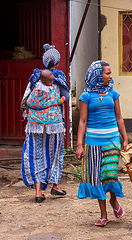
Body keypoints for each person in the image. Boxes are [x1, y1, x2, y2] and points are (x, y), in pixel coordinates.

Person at [76, 60, 128, 227]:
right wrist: (79, 144)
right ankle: (104, 215)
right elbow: (82, 121)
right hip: (93, 143)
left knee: (110, 175)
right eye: (107, 73)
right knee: (97, 178)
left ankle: (113, 200)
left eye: (110, 73)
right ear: (98, 75)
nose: (110, 76)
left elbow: (119, 117)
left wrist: (125, 138)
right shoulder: (86, 96)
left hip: (112, 141)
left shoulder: (113, 94)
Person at [21, 44, 69, 203]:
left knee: (36, 154)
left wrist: (28, 112)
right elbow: (66, 97)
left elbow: (25, 99)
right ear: (57, 61)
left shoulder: (35, 76)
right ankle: (55, 186)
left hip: (34, 124)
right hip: (54, 124)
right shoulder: (59, 77)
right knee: (55, 153)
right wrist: (57, 102)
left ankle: (38, 192)